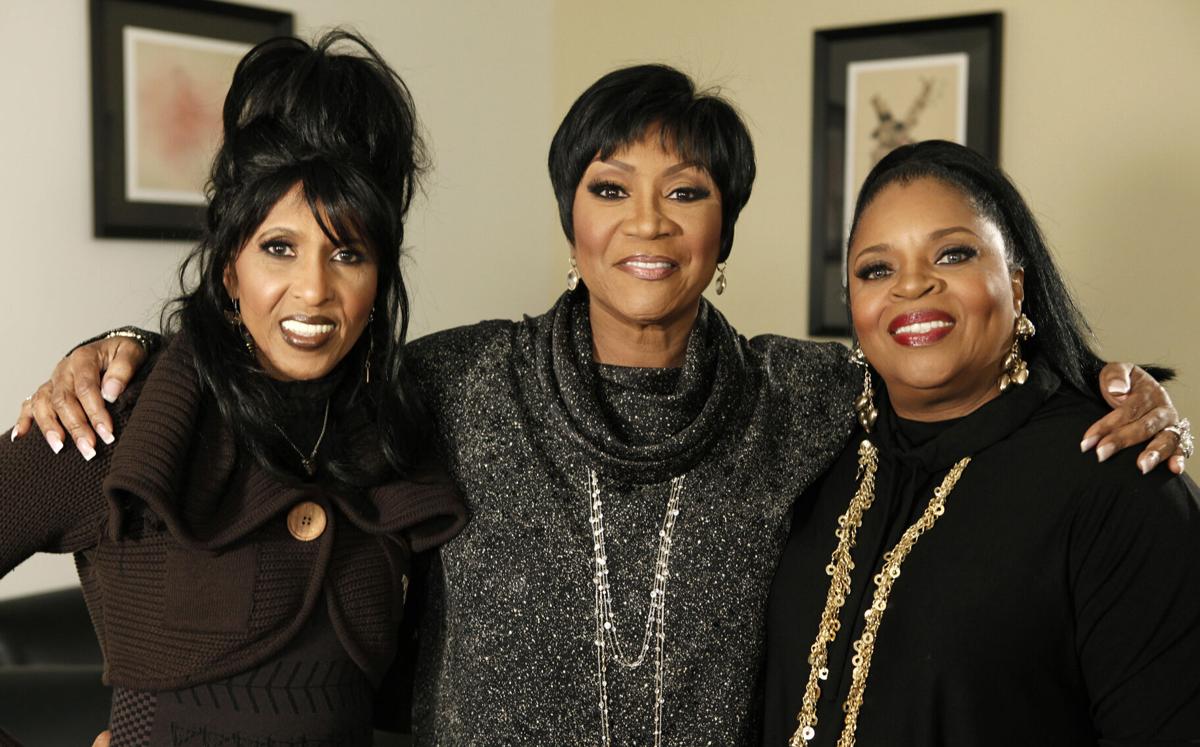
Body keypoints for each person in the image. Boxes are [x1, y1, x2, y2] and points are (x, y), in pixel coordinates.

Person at [14, 67, 1187, 745]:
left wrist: (1117, 389)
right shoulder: (449, 384)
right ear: (568, 219)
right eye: (609, 186)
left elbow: (946, 362)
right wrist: (113, 349)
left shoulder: (812, 395)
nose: (647, 222)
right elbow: (273, 392)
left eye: (688, 191)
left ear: (726, 229)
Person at [0, 32, 465, 746]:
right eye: (279, 247)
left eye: (348, 253)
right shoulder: (119, 417)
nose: (314, 289)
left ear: (378, 279)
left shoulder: (398, 433)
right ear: (229, 270)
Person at [762, 141, 1199, 746]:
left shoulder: (1114, 475)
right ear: (852, 308)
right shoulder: (812, 449)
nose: (912, 286)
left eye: (953, 254)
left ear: (1017, 287)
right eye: (876, 269)